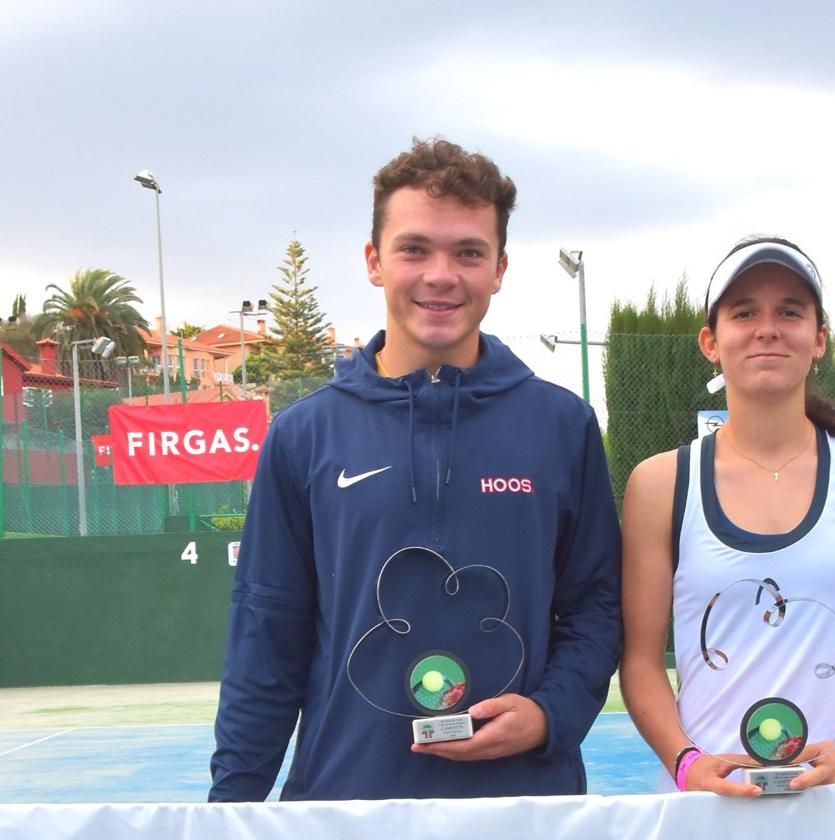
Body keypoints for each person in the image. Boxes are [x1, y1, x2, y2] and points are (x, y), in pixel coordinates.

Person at [209, 138, 622, 801]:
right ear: (374, 262)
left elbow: (595, 610)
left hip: (523, 810)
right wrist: (231, 810)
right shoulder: (303, 436)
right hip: (346, 807)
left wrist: (551, 713)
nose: (440, 274)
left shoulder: (562, 425)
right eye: (414, 249)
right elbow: (266, 639)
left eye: (467, 252)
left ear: (499, 268)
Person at [619, 236, 835, 796]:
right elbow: (639, 663)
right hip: (704, 814)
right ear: (710, 342)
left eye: (790, 311)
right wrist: (687, 763)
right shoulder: (659, 484)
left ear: (819, 338)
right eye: (744, 313)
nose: (767, 328)